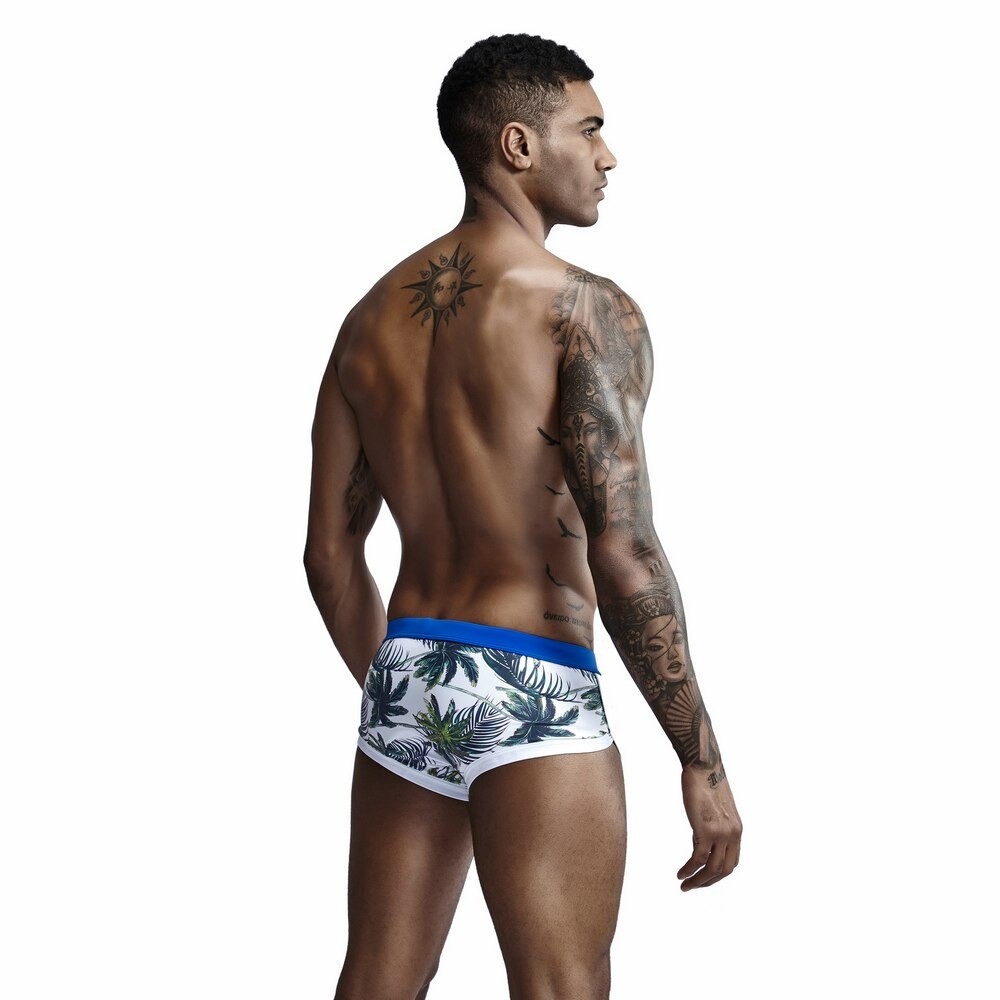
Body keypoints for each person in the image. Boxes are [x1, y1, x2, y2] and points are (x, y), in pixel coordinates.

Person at [303, 32, 742, 1000]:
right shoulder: (583, 309)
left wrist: (407, 697)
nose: (607, 155)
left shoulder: (367, 320)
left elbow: (329, 556)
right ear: (517, 144)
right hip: (533, 674)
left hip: (407, 675)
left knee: (376, 980)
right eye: (588, 128)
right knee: (559, 986)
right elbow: (623, 552)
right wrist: (701, 760)